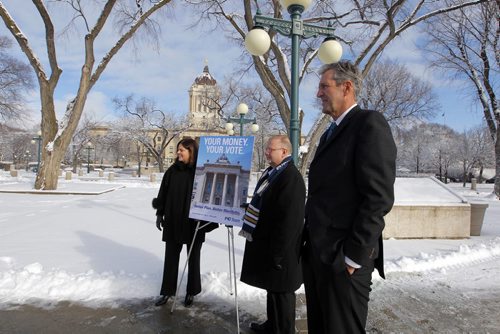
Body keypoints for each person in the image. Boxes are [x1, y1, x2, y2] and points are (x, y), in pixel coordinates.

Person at [303, 61, 397, 333]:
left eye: (324, 86)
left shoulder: (369, 124)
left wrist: (353, 258)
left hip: (343, 260)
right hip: (318, 257)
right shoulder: (329, 133)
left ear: (346, 87)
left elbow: (378, 198)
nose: (318, 93)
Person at [239, 135, 306, 334]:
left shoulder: (291, 178)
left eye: (270, 149)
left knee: (282, 294)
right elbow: (266, 202)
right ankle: (272, 326)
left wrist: (278, 253)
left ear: (284, 152)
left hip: (282, 251)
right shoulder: (273, 173)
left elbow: (290, 222)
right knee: (273, 290)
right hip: (270, 245)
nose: (266, 152)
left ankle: (283, 329)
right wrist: (249, 208)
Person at [153, 137, 207, 308]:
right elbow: (163, 193)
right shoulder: (172, 171)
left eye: (181, 150)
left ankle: (192, 291)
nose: (178, 153)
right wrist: (160, 213)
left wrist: (207, 220)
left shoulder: (200, 172)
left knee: (193, 258)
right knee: (171, 258)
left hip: (193, 223)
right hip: (174, 221)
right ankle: (167, 292)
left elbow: (208, 197)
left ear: (191, 152)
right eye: (178, 150)